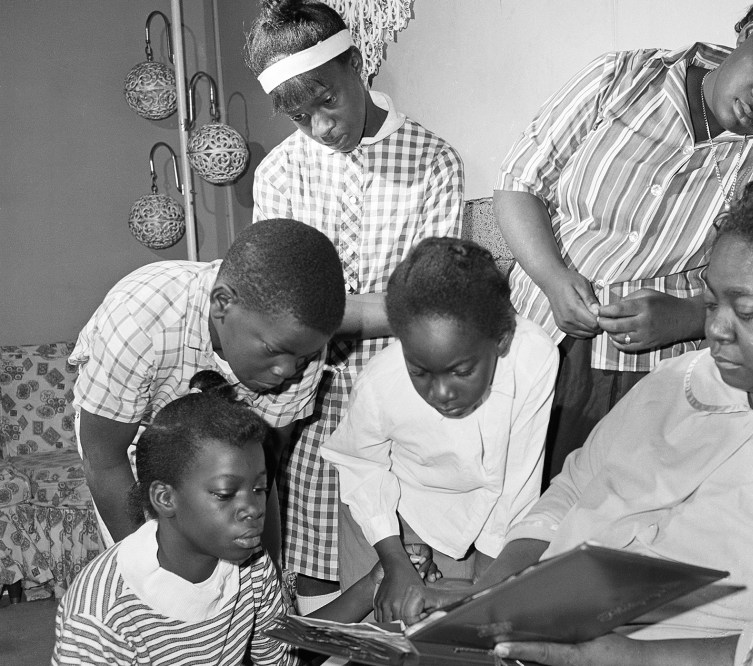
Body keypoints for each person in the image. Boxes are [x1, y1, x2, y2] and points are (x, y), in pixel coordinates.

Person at [402, 171, 753, 666]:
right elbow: (571, 491)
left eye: (744, 311)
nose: (714, 327)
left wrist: (626, 659)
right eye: (711, 302)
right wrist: (491, 598)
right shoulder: (676, 384)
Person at [494, 0, 753, 479]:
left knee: (586, 516)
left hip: (642, 377)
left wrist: (687, 317)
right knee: (486, 495)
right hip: (523, 330)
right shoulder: (621, 78)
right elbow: (520, 184)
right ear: (748, 30)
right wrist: (552, 278)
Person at [244, 0, 465, 611]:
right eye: (298, 116)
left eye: (327, 102)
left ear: (358, 65)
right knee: (308, 575)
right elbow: (270, 307)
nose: (320, 127)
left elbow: (429, 306)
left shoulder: (432, 162)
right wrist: (364, 309)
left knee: (395, 575)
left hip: (398, 397)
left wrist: (318, 312)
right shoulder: (280, 173)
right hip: (302, 404)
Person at [320, 237, 558, 622]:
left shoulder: (533, 357)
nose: (442, 393)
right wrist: (394, 561)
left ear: (500, 341)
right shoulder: (381, 383)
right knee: (381, 643)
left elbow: (519, 481)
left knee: (460, 637)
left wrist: (487, 579)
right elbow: (360, 466)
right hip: (389, 518)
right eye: (420, 372)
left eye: (462, 371)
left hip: (486, 523)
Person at [70, 218, 345, 547]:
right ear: (222, 304)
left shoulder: (303, 350)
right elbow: (104, 460)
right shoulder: (138, 320)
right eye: (274, 351)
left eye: (302, 358)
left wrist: (262, 571)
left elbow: (260, 474)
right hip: (133, 431)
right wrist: (152, 568)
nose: (286, 372)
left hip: (222, 443)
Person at [53, 372, 292, 665]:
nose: (254, 508)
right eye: (226, 493)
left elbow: (277, 658)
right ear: (166, 498)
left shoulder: (253, 566)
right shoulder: (102, 614)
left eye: (259, 489)